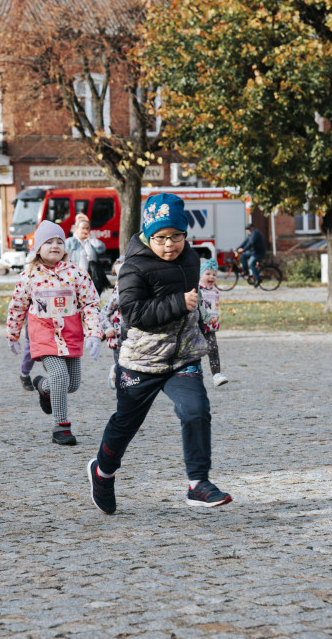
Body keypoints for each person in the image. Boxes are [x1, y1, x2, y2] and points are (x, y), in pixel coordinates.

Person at [87, 192, 232, 515]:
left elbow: (194, 297)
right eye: (161, 238)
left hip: (182, 356)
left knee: (196, 410)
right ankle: (103, 472)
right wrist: (179, 303)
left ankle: (198, 483)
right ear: (148, 234)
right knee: (126, 423)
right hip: (142, 360)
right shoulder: (132, 267)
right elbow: (133, 313)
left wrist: (200, 316)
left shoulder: (191, 258)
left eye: (177, 236)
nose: (170, 245)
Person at [6, 220, 102, 446]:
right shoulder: (29, 275)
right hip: (44, 335)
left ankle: (43, 386)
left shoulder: (76, 273)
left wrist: (94, 333)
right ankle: (61, 426)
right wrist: (13, 334)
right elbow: (17, 306)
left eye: (59, 241)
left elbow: (90, 303)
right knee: (59, 375)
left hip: (70, 335)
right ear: (38, 248)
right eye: (49, 242)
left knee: (72, 384)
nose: (55, 246)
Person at [198, 258, 228, 387]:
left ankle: (217, 375)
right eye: (207, 274)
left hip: (210, 328)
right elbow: (198, 307)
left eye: (214, 274)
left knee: (213, 349)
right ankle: (193, 375)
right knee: (194, 352)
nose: (211, 277)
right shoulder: (198, 289)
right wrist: (206, 317)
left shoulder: (214, 290)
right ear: (200, 275)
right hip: (198, 327)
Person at [97, 258, 125, 390]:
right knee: (121, 365)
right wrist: (108, 329)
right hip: (118, 336)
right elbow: (103, 313)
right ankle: (117, 374)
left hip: (133, 336)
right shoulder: (118, 294)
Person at [66, 213, 110, 295]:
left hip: (91, 276)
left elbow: (102, 248)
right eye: (83, 228)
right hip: (76, 276)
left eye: (87, 228)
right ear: (76, 229)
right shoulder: (70, 242)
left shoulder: (90, 241)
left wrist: (91, 238)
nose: (85, 230)